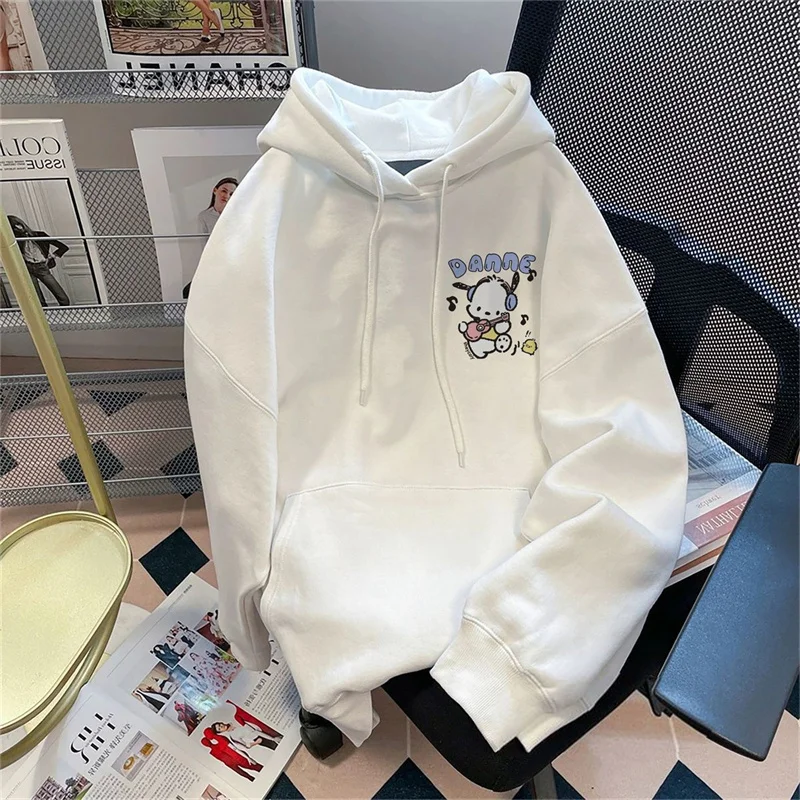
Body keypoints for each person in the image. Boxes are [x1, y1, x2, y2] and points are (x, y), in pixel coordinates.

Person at [5, 215, 71, 307]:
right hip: (27, 267)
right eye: (14, 228)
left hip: (41, 267)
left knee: (62, 298)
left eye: (18, 225)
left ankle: (64, 311)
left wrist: (52, 256)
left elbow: (63, 247)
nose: (18, 228)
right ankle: (43, 313)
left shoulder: (40, 235)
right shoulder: (15, 240)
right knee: (38, 300)